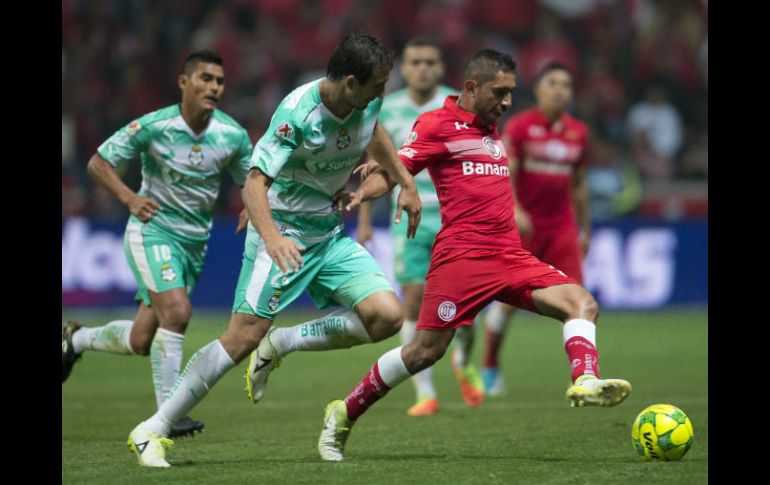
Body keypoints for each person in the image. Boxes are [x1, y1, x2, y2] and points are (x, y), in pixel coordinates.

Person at [316, 49, 632, 462]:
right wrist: (362, 194)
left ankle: (585, 380)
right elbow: (396, 170)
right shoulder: (437, 124)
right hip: (462, 259)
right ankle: (344, 411)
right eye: (499, 92)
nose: (507, 101)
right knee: (424, 351)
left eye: (511, 92)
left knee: (582, 302)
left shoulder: (489, 127)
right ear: (471, 87)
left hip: (510, 255)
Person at [126, 31, 422, 468]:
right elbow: (254, 184)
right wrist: (272, 238)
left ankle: (282, 342)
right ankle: (153, 429)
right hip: (283, 232)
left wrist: (405, 182)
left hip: (327, 233)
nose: (383, 94)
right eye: (377, 86)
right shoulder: (297, 113)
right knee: (242, 335)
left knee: (387, 317)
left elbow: (374, 132)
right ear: (350, 83)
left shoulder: (366, 103)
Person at [61, 50, 253, 438]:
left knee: (141, 340)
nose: (214, 87)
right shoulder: (154, 126)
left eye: (219, 81)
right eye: (205, 78)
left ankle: (75, 339)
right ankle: (169, 414)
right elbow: (98, 163)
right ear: (184, 82)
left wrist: (252, 207)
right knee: (177, 313)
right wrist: (130, 199)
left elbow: (250, 180)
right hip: (152, 232)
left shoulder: (232, 135)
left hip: (195, 244)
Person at [356, 37, 482, 417]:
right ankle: (424, 392)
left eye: (430, 62)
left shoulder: (458, 106)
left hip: (456, 217)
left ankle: (463, 359)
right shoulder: (386, 108)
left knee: (465, 308)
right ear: (405, 69)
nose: (423, 68)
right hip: (407, 217)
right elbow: (375, 164)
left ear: (440, 68)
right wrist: (365, 222)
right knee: (412, 300)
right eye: (415, 62)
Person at [481, 62, 592, 396]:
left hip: (562, 229)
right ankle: (490, 365)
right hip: (525, 227)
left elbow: (579, 185)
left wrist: (585, 228)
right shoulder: (521, 127)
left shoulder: (578, 133)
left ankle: (583, 377)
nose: (559, 90)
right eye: (552, 83)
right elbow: (506, 173)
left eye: (566, 84)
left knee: (579, 300)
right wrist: (514, 209)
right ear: (539, 89)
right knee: (508, 304)